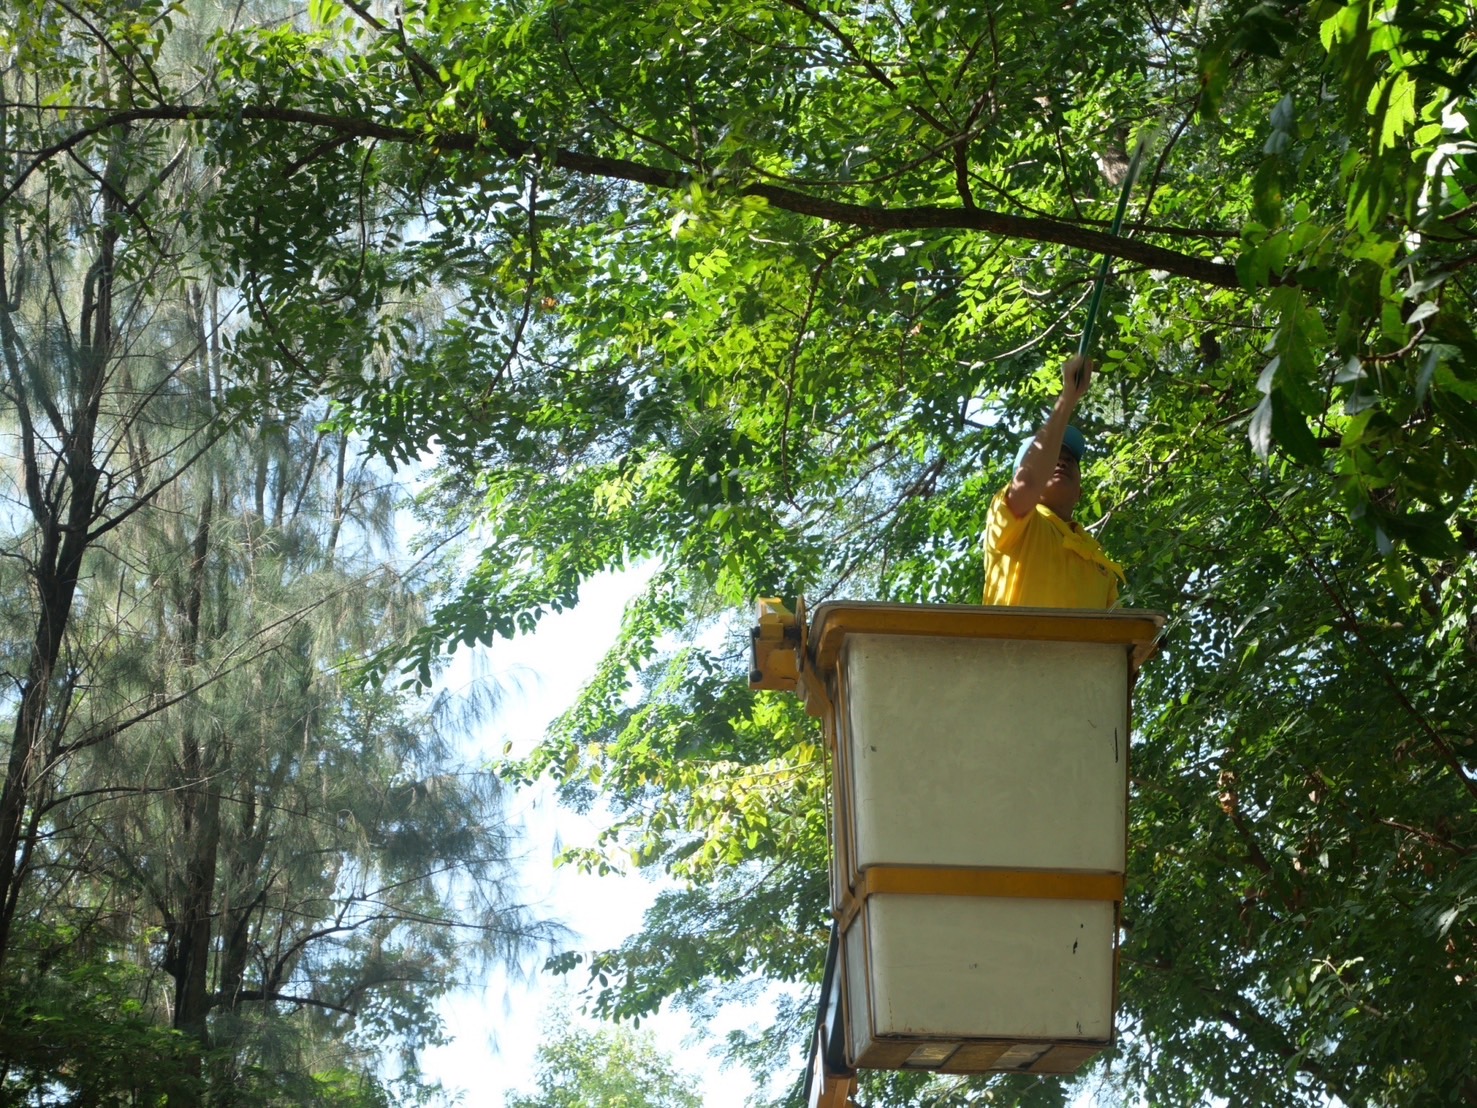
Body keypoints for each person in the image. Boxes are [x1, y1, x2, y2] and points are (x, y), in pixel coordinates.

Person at [982, 353, 1124, 608]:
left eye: (1069, 459)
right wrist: (1068, 396)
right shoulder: (1012, 522)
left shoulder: (1100, 563)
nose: (1062, 462)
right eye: (1052, 459)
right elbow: (1029, 482)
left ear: (1080, 492)